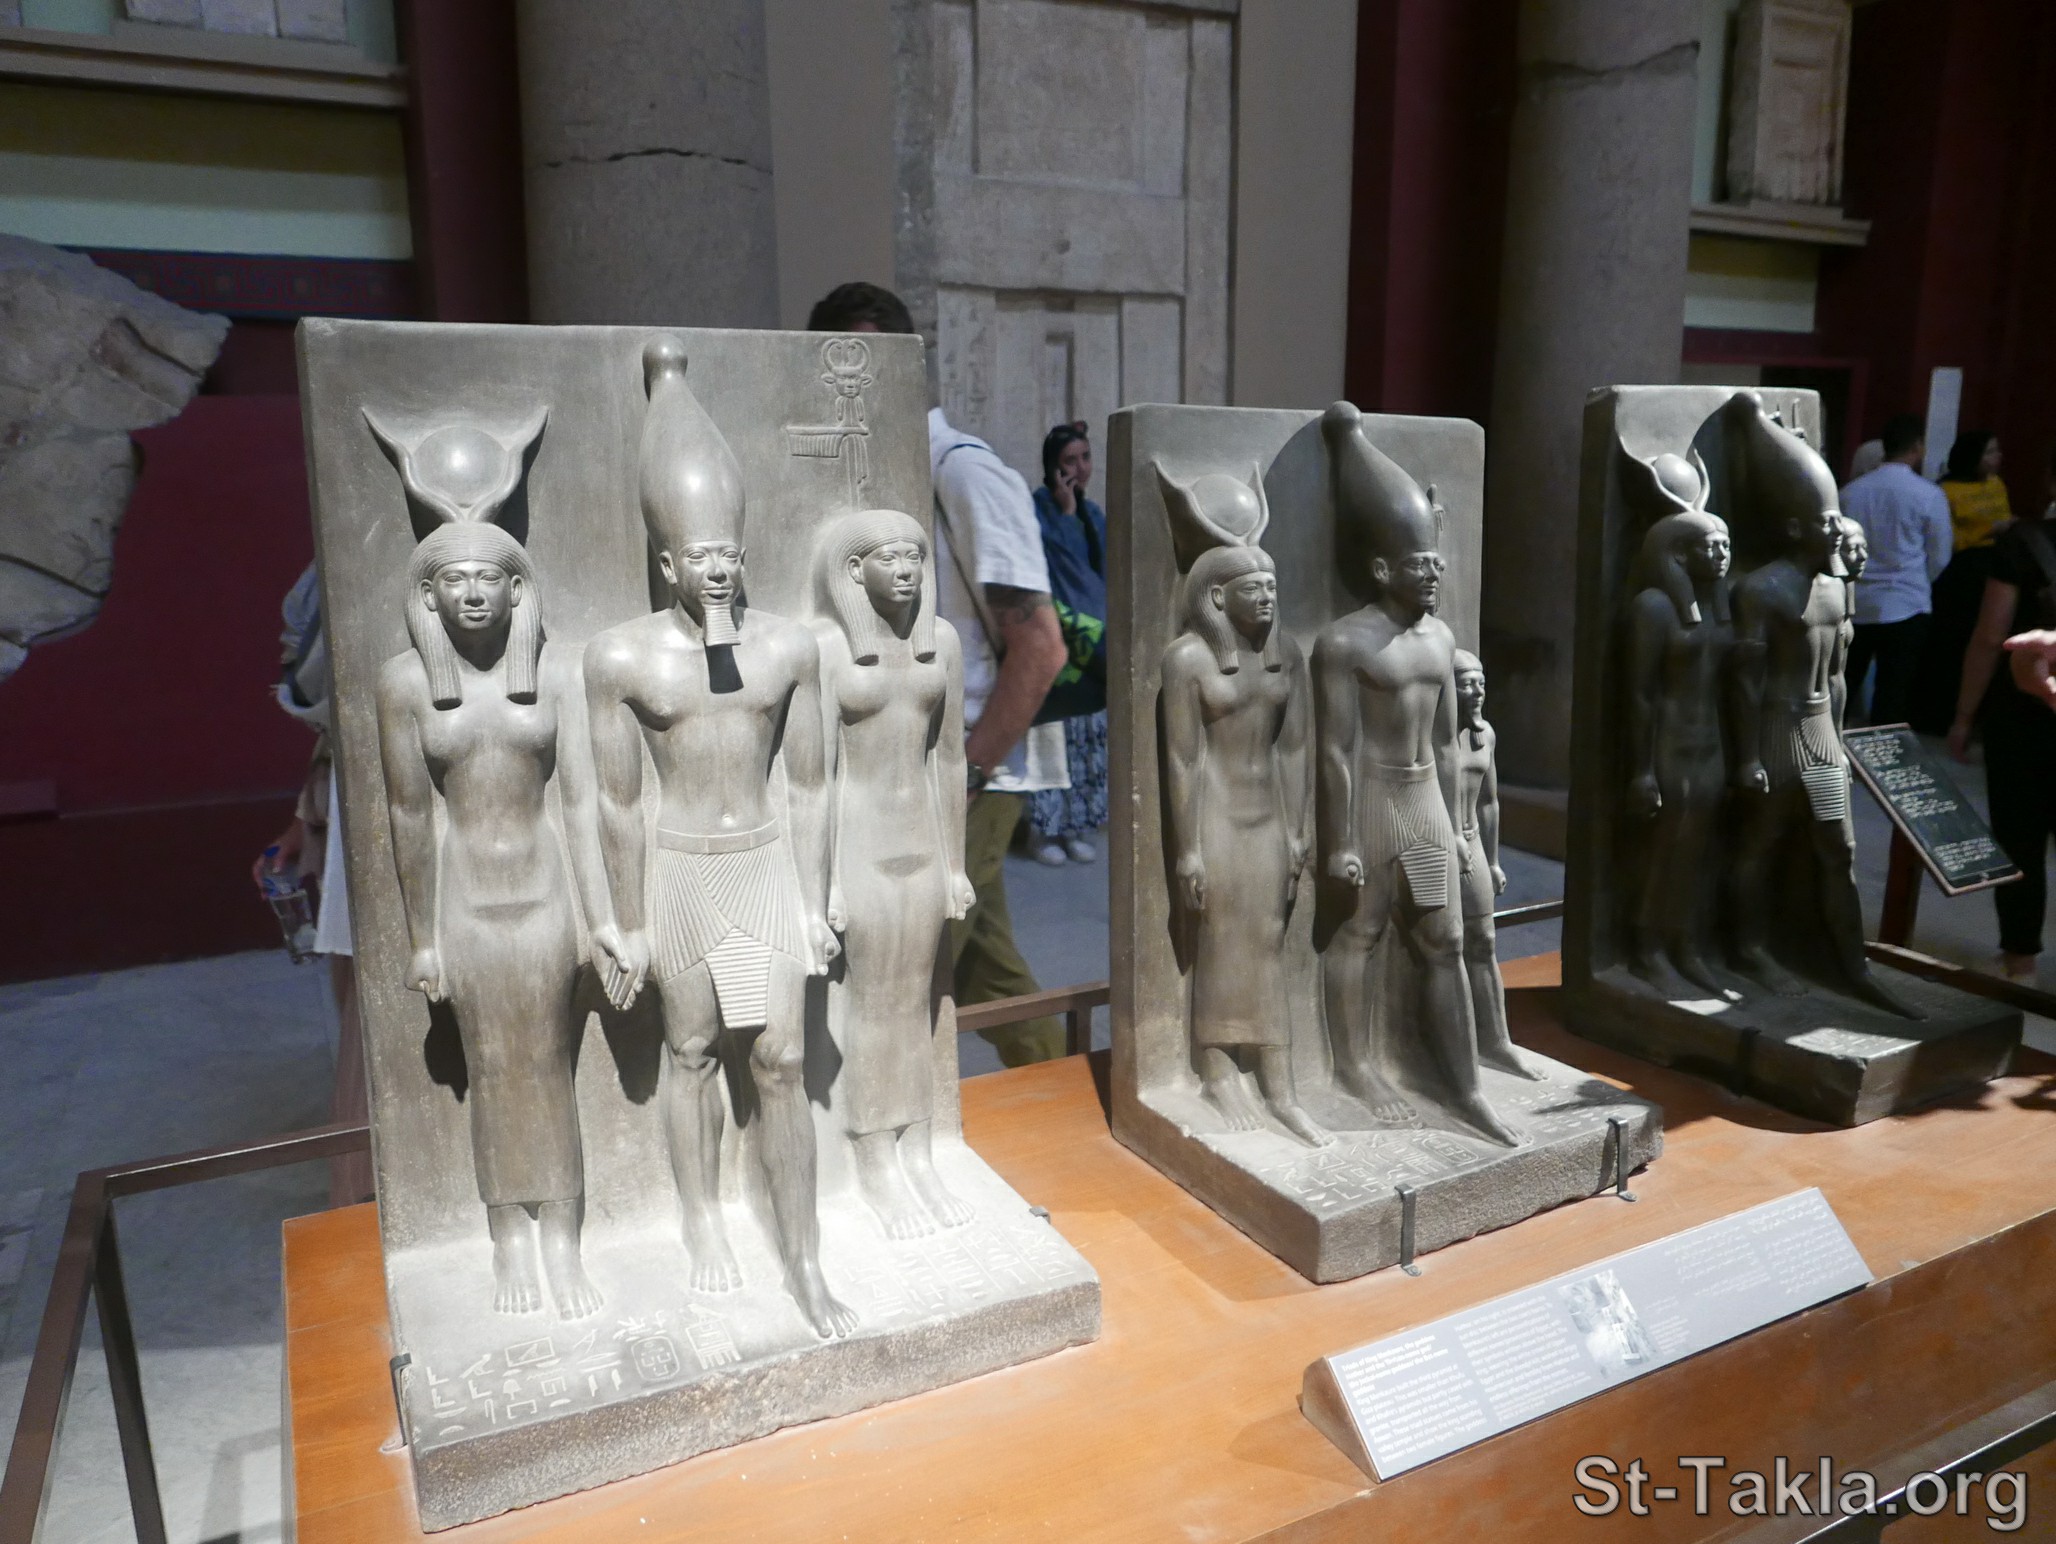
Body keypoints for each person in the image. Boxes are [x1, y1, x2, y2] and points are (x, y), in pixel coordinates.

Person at [805, 282, 1068, 1064]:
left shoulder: (963, 473)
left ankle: (1000, 1101)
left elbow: (1041, 647)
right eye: (829, 369)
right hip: (904, 766)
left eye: (862, 365)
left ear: (905, 364)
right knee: (979, 962)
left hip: (970, 766)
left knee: (923, 958)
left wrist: (972, 772)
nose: (845, 388)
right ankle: (1053, 1086)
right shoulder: (879, 471)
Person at [378, 521, 609, 1320]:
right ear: (428, 594)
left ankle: (562, 1237)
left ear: (517, 589)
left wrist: (599, 916)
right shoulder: (405, 684)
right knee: (491, 1066)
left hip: (544, 889)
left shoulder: (556, 672)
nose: (472, 593)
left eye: (487, 577)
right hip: (464, 899)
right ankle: (508, 1232)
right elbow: (409, 815)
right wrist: (422, 939)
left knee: (547, 1062)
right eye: (454, 579)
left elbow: (579, 801)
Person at [812, 508, 979, 1235]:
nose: (907, 568)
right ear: (855, 570)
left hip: (923, 840)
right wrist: (825, 882)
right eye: (890, 557)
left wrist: (956, 863)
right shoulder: (828, 649)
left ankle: (917, 1146)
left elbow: (950, 756)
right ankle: (874, 1154)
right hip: (860, 842)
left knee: (919, 1004)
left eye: (915, 555)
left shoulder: (941, 641)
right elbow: (815, 777)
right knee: (874, 1003)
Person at [253, 561, 371, 1209]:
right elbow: (330, 739)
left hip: (376, 844)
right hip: (339, 835)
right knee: (356, 1013)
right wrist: (300, 827)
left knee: (374, 1034)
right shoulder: (322, 585)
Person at [1949, 447, 2056, 980]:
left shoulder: (2023, 542)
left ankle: (2020, 960)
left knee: (2020, 838)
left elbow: (1991, 637)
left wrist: (1963, 718)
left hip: (2023, 718)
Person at [1026, 421, 1109, 867]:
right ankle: (1045, 830)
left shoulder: (1093, 513)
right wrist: (1062, 513)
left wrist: (1074, 512)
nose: (1079, 468)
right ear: (1053, 467)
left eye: (1085, 458)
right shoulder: (1037, 510)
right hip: (1054, 638)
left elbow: (1102, 575)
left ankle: (1078, 825)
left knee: (1086, 737)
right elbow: (1059, 568)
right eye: (1069, 460)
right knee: (1051, 737)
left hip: (1093, 642)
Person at [1840, 412, 1950, 725]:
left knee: (1844, 685)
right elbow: (1940, 554)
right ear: (1918, 446)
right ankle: (1884, 749)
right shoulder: (1929, 494)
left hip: (1857, 603)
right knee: (1893, 692)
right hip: (1907, 601)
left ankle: (1831, 746)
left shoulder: (1850, 493)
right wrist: (1920, 580)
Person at [1914, 431, 2015, 732]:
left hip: (1993, 568)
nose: (1997, 458)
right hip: (1960, 573)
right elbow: (1948, 539)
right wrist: (1989, 531)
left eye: (1997, 451)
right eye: (1989, 452)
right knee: (1952, 645)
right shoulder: (1946, 490)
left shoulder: (1996, 484)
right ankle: (1937, 717)